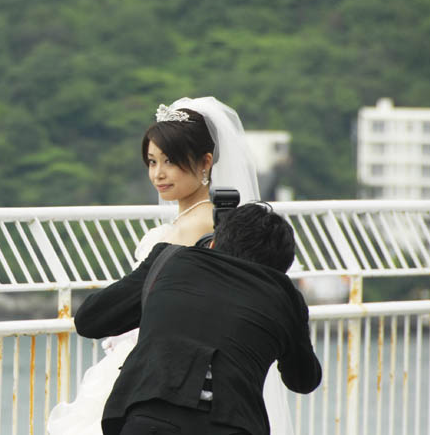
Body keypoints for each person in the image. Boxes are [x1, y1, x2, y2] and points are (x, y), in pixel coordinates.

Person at [47, 97, 292, 435]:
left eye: (171, 162)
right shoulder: (190, 220)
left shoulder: (205, 226)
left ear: (205, 162)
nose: (158, 174)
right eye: (151, 162)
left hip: (166, 371)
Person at [72, 203, 321, 435]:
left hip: (150, 416)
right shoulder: (284, 297)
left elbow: (89, 320)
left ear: (213, 243)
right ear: (279, 269)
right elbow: (303, 380)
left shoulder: (168, 261)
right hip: (233, 424)